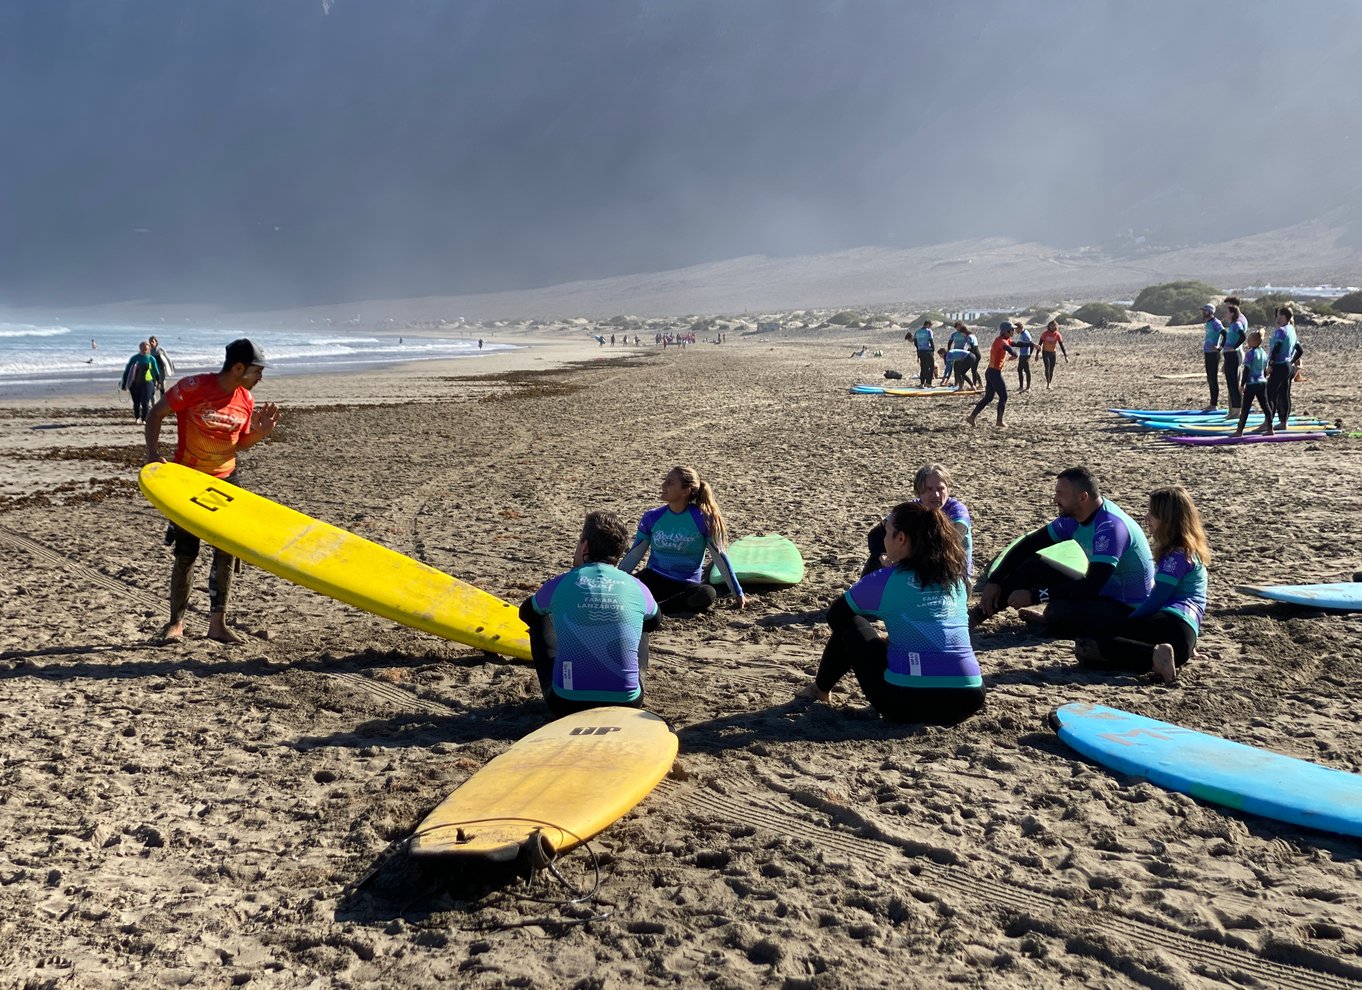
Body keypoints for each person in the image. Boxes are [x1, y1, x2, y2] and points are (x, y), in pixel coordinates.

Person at [796, 502, 985, 725]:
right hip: (968, 697)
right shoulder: (955, 578)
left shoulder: (885, 580)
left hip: (905, 700)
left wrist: (881, 642)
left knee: (850, 623)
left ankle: (820, 689)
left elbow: (835, 617)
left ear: (901, 538)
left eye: (887, 532)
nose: (884, 539)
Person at [144, 338, 280, 644]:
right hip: (188, 481)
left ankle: (217, 625)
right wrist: (152, 455)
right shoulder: (193, 387)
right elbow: (156, 414)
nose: (260, 378)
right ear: (238, 367)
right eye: (257, 371)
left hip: (226, 481)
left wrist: (259, 433)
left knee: (225, 553)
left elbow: (238, 443)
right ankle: (176, 623)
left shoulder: (245, 398)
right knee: (186, 553)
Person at [976, 466, 1155, 637]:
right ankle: (976, 616)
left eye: (1060, 494)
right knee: (1032, 566)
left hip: (1127, 607)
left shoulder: (1109, 528)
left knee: (1058, 611)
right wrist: (995, 581)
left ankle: (1049, 621)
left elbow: (1091, 586)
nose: (1055, 499)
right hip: (1102, 592)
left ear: (1083, 497)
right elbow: (1028, 544)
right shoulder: (1074, 517)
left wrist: (1035, 596)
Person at [520, 511, 662, 718]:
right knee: (641, 623)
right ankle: (623, 682)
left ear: (585, 546)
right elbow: (655, 621)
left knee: (539, 620)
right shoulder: (636, 586)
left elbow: (526, 613)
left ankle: (565, 681)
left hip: (566, 703)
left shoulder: (561, 583)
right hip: (628, 703)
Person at [1074, 486, 1209, 684]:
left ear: (1168, 521)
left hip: (1172, 625)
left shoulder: (1176, 556)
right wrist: (1191, 646)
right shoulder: (1191, 553)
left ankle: (1156, 656)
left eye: (1153, 514)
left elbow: (1156, 600)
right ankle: (1159, 655)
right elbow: (1195, 603)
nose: (1146, 518)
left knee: (1089, 642)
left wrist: (1125, 623)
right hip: (1184, 638)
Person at [618, 465, 746, 613]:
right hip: (653, 579)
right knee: (627, 587)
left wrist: (738, 592)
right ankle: (657, 608)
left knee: (707, 593)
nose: (663, 485)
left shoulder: (704, 519)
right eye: (665, 481)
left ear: (686, 491)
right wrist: (616, 580)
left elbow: (719, 557)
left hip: (686, 584)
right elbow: (635, 554)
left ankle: (657, 609)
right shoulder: (652, 517)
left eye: (670, 483)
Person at [863, 463, 973, 580]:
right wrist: (883, 556)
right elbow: (876, 534)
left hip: (951, 574)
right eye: (929, 489)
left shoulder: (956, 511)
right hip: (916, 567)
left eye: (941, 489)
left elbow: (945, 546)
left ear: (948, 489)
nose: (936, 495)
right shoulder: (913, 508)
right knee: (876, 559)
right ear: (919, 491)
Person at [965, 322, 1017, 429]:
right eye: (1012, 330)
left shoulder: (1005, 339)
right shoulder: (1001, 341)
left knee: (988, 397)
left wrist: (1032, 345)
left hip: (990, 372)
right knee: (1003, 396)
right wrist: (1014, 354)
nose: (1014, 331)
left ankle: (972, 417)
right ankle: (999, 421)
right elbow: (1009, 348)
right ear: (1006, 331)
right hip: (994, 373)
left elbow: (1016, 344)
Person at [1232, 330, 1273, 436]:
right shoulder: (1263, 353)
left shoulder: (1250, 353)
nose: (1247, 342)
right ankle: (1270, 428)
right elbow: (1265, 369)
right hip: (1262, 382)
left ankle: (1239, 431)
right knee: (1265, 405)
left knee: (1245, 407)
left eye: (1249, 340)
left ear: (1254, 341)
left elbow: (1246, 370)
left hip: (1252, 383)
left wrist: (1242, 384)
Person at [1267, 305, 1300, 429]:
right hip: (1288, 367)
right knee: (1284, 394)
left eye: (1280, 315)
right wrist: (1291, 361)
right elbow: (1300, 350)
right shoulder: (1291, 329)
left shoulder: (1281, 331)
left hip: (1280, 366)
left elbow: (1276, 348)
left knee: (1270, 393)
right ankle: (1283, 422)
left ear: (1286, 317)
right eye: (1277, 315)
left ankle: (1268, 421)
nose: (1277, 318)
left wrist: (1271, 365)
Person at [120, 340, 162, 425]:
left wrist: (159, 381)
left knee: (145, 401)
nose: (144, 349)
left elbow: (156, 371)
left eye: (146, 348)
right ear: (140, 348)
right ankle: (137, 418)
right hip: (135, 383)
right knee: (136, 402)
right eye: (143, 348)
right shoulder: (134, 358)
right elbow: (127, 371)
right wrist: (124, 384)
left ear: (149, 348)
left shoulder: (151, 359)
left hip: (148, 382)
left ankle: (144, 419)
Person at [1221, 297, 1247, 416]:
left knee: (1235, 383)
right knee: (1230, 383)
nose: (1226, 310)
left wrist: (1234, 347)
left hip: (1236, 354)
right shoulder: (1232, 323)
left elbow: (1242, 336)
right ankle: (1232, 410)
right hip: (1229, 355)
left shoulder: (1239, 321)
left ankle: (1237, 409)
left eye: (1228, 307)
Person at [1200, 303, 1225, 411]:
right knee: (1209, 378)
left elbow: (1225, 334)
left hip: (1214, 354)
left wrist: (1220, 347)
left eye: (1205, 311)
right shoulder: (1208, 323)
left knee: (1213, 378)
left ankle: (1214, 405)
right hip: (1207, 352)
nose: (1203, 313)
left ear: (1210, 311)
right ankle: (1212, 403)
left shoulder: (1216, 323)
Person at [1039, 320, 1068, 388]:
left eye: (1054, 326)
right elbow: (1039, 344)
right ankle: (1048, 384)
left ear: (1056, 326)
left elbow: (1061, 345)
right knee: (1047, 367)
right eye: (1051, 326)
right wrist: (1037, 354)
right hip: (1045, 352)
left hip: (1053, 353)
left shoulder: (1057, 334)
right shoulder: (1045, 334)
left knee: (1051, 368)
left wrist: (1065, 356)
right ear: (1049, 326)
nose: (1052, 327)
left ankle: (1049, 382)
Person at [907, 319, 935, 387]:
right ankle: (928, 383)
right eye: (930, 325)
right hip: (928, 351)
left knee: (923, 367)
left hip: (921, 351)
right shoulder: (929, 331)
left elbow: (916, 343)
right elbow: (931, 340)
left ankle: (922, 383)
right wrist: (933, 349)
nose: (930, 327)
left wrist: (918, 353)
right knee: (931, 366)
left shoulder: (917, 332)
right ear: (928, 325)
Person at [1014, 322, 1036, 392]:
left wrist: (1029, 356)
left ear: (1019, 328)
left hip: (1025, 355)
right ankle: (1021, 386)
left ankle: (1028, 387)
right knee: (1019, 370)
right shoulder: (1022, 334)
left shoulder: (1026, 335)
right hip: (1022, 354)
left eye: (1016, 329)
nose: (1015, 331)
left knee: (1027, 371)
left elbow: (1031, 345)